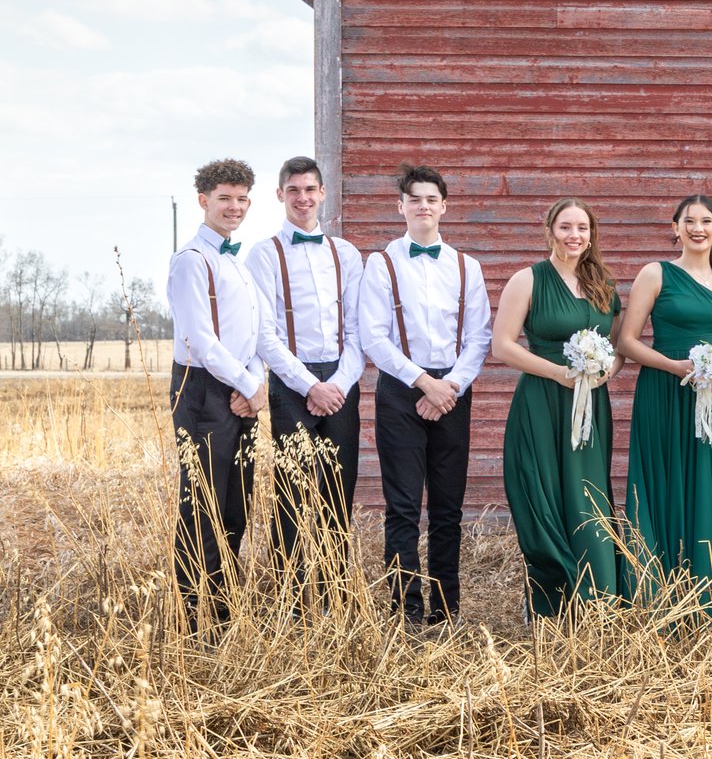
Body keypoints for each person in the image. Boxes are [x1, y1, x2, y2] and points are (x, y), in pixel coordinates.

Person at [359, 162, 491, 628]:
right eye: (414, 198)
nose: (423, 206)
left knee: (447, 509)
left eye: (431, 199)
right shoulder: (381, 263)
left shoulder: (465, 266)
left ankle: (445, 611)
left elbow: (479, 336)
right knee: (401, 507)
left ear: (444, 206)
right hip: (401, 391)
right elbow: (373, 337)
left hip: (453, 393)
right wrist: (423, 383)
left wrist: (450, 385)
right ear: (401, 206)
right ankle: (406, 611)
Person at [492, 198, 624, 619]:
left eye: (582, 228)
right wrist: (556, 373)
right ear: (549, 230)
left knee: (588, 496)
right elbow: (503, 345)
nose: (574, 236)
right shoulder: (527, 280)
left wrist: (607, 370)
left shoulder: (604, 283)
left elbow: (619, 347)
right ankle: (552, 600)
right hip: (542, 401)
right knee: (543, 493)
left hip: (591, 405)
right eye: (565, 227)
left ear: (592, 234)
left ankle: (597, 598)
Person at [620, 194, 712, 603]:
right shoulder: (655, 274)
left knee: (706, 481)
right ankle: (655, 589)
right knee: (664, 477)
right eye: (689, 221)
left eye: (707, 220)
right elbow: (627, 340)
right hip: (663, 392)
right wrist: (674, 366)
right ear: (674, 227)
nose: (698, 228)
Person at [244, 156, 363, 588]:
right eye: (293, 190)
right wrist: (310, 385)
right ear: (280, 196)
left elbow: (357, 330)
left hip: (341, 382)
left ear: (323, 194)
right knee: (290, 495)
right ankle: (290, 600)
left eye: (310, 189)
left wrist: (337, 384)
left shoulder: (345, 253)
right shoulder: (264, 254)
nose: (302, 198)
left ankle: (335, 595)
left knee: (338, 492)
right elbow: (264, 334)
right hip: (291, 384)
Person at [168, 157, 274, 626]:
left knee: (235, 505)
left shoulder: (238, 262)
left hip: (240, 386)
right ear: (203, 201)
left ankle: (225, 612)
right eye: (224, 198)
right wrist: (250, 386)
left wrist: (254, 379)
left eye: (242, 198)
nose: (234, 207)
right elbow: (200, 340)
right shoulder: (191, 262)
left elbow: (253, 331)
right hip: (203, 391)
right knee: (201, 507)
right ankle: (192, 621)